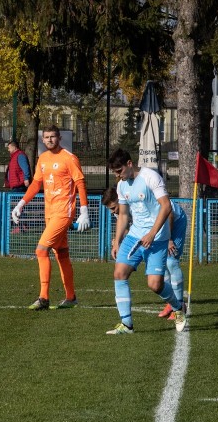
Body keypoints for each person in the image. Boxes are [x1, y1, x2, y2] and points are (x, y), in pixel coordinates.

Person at [106, 149, 185, 334]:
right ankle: (127, 325)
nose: (118, 175)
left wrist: (152, 233)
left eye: (120, 170)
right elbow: (123, 215)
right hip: (135, 236)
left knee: (155, 285)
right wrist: (117, 241)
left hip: (157, 238)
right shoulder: (121, 186)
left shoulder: (150, 177)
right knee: (119, 273)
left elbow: (166, 206)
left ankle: (178, 308)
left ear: (129, 164)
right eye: (115, 172)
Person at [12, 125, 90, 310]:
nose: (49, 140)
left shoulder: (69, 158)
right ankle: (71, 298)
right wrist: (21, 203)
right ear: (42, 139)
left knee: (41, 250)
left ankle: (44, 298)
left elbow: (80, 182)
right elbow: (36, 184)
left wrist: (84, 210)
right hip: (50, 212)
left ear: (59, 138)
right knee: (61, 253)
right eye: (46, 137)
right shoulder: (43, 159)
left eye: (52, 137)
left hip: (64, 212)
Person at [102, 187, 187, 320]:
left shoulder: (137, 201)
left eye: (113, 208)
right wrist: (117, 241)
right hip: (155, 228)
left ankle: (180, 304)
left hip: (174, 220)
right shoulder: (121, 210)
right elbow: (131, 228)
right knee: (160, 266)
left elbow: (168, 214)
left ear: (120, 199)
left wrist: (169, 239)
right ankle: (171, 304)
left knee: (171, 261)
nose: (113, 212)